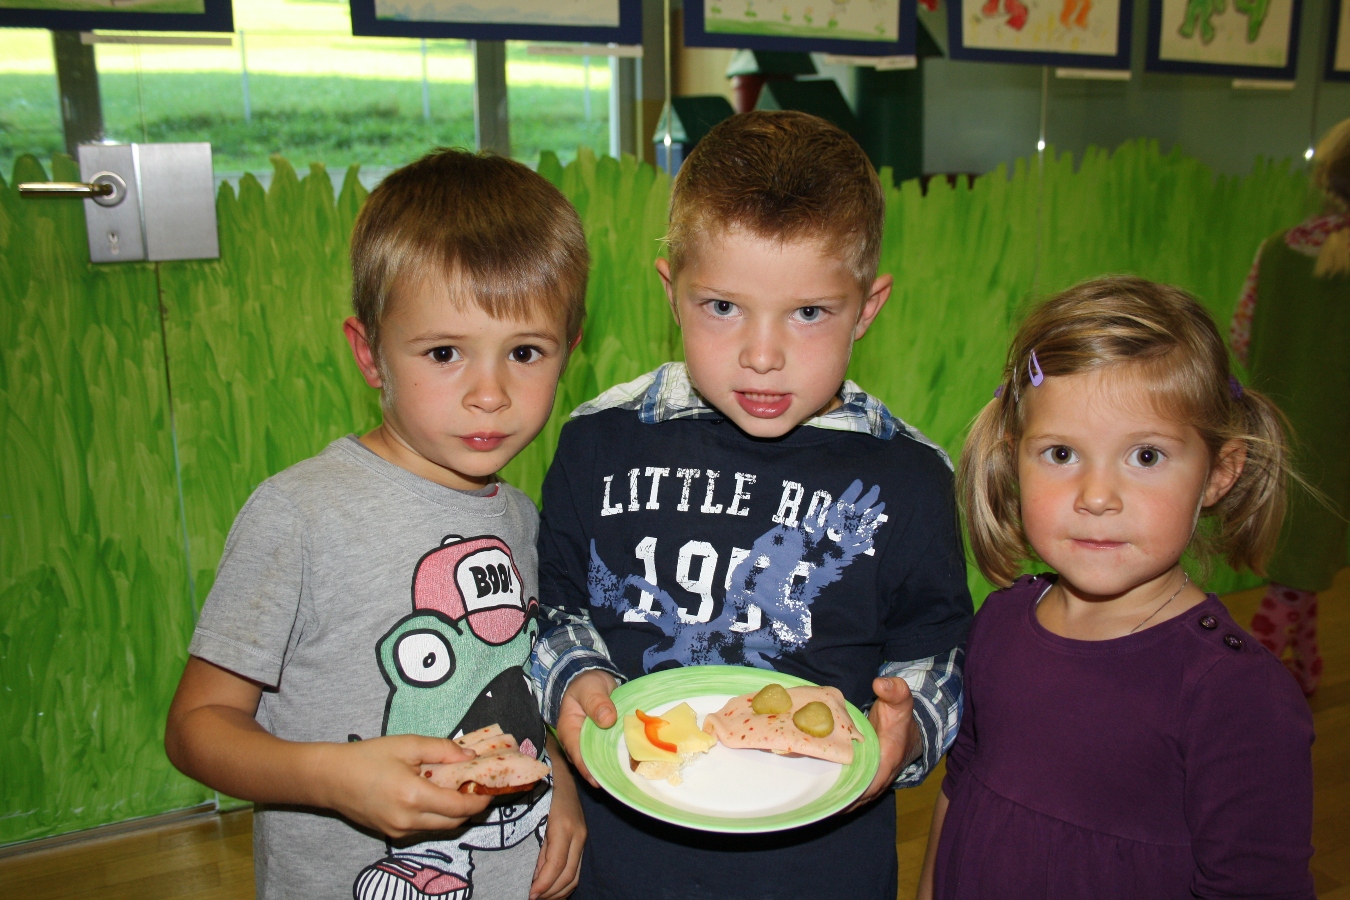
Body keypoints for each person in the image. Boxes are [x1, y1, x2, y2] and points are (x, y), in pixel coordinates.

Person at [530, 110, 974, 899]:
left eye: (809, 313)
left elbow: (936, 655)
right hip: (627, 864)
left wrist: (907, 734)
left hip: (823, 872)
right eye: (723, 307)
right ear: (672, 293)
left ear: (867, 308)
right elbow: (556, 609)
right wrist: (573, 680)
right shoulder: (598, 443)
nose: (762, 355)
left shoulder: (909, 478)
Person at [164, 149, 590, 900]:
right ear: (370, 355)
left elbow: (511, 680)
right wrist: (333, 777)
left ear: (567, 355)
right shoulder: (300, 514)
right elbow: (197, 725)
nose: (489, 393)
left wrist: (558, 784)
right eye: (445, 352)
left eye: (525, 352)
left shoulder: (521, 517)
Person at [918, 276, 1315, 899]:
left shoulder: (1236, 693)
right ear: (1013, 458)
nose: (1097, 497)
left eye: (1146, 456)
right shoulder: (999, 620)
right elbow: (960, 782)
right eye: (1060, 454)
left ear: (1219, 473)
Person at [1229, 117, 1350, 696]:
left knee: (1295, 563)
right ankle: (1244, 686)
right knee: (1299, 567)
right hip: (1336, 438)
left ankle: (1308, 668)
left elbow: (1242, 335)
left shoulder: (1278, 249)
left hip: (1276, 429)